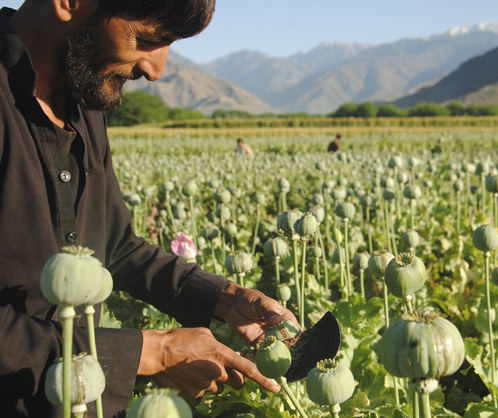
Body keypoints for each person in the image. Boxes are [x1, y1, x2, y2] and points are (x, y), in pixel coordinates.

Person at [0, 1, 298, 417]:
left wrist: (225, 299)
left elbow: (116, 246)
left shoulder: (83, 99)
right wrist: (150, 351)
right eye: (146, 39)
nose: (156, 70)